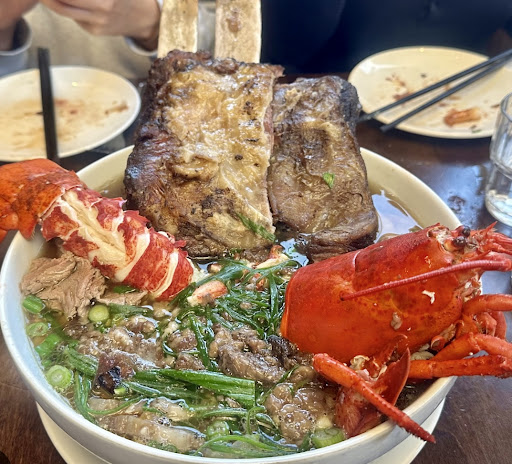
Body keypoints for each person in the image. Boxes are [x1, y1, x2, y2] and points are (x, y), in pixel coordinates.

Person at [0, 0, 215, 79]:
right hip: (28, 136)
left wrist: (154, 21)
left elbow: (220, 37)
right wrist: (5, 27)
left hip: (156, 126)